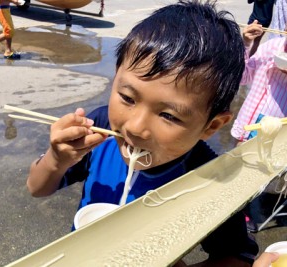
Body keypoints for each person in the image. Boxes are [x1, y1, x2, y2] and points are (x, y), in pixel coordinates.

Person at [27, 0, 259, 266]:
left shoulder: (207, 178)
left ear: (211, 127)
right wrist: (57, 159)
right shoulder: (99, 129)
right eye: (127, 97)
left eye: (168, 115)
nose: (135, 128)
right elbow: (36, 188)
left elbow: (237, 256)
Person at [230, 21, 287, 142]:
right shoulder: (271, 47)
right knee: (236, 158)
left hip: (277, 136)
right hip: (247, 124)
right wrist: (246, 43)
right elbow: (242, 77)